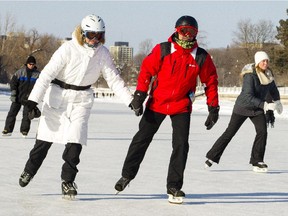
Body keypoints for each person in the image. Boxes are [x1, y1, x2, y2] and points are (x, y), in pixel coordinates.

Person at [18, 14, 132, 198]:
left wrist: (130, 101)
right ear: (82, 33)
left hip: (81, 99)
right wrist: (33, 101)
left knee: (76, 141)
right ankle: (29, 170)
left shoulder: (102, 53)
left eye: (99, 35)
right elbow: (46, 74)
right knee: (44, 141)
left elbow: (114, 79)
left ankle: (68, 181)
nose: (95, 39)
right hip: (58, 96)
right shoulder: (68, 49)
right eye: (91, 34)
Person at [114, 15, 219, 204]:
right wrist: (140, 95)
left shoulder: (200, 56)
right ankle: (127, 175)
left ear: (196, 34)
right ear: (176, 31)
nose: (187, 35)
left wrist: (213, 107)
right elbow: (146, 70)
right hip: (157, 103)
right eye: (183, 31)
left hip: (181, 106)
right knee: (141, 139)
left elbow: (210, 81)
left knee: (181, 145)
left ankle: (174, 186)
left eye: (191, 32)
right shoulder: (163, 49)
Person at [205, 51, 283, 173]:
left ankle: (257, 161)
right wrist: (265, 105)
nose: (266, 63)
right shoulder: (250, 76)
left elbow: (273, 88)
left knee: (262, 132)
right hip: (242, 108)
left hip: (257, 110)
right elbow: (247, 96)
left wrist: (278, 101)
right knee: (229, 133)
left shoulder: (268, 74)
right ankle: (211, 156)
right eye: (263, 61)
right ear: (258, 62)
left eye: (267, 60)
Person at [2, 56, 40, 137]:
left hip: (29, 98)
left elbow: (41, 86)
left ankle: (24, 131)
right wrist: (13, 93)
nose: (31, 65)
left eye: (33, 64)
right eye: (30, 64)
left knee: (27, 115)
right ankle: (7, 130)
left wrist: (37, 97)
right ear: (27, 64)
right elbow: (13, 83)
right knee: (12, 113)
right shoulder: (20, 72)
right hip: (18, 97)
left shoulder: (38, 74)